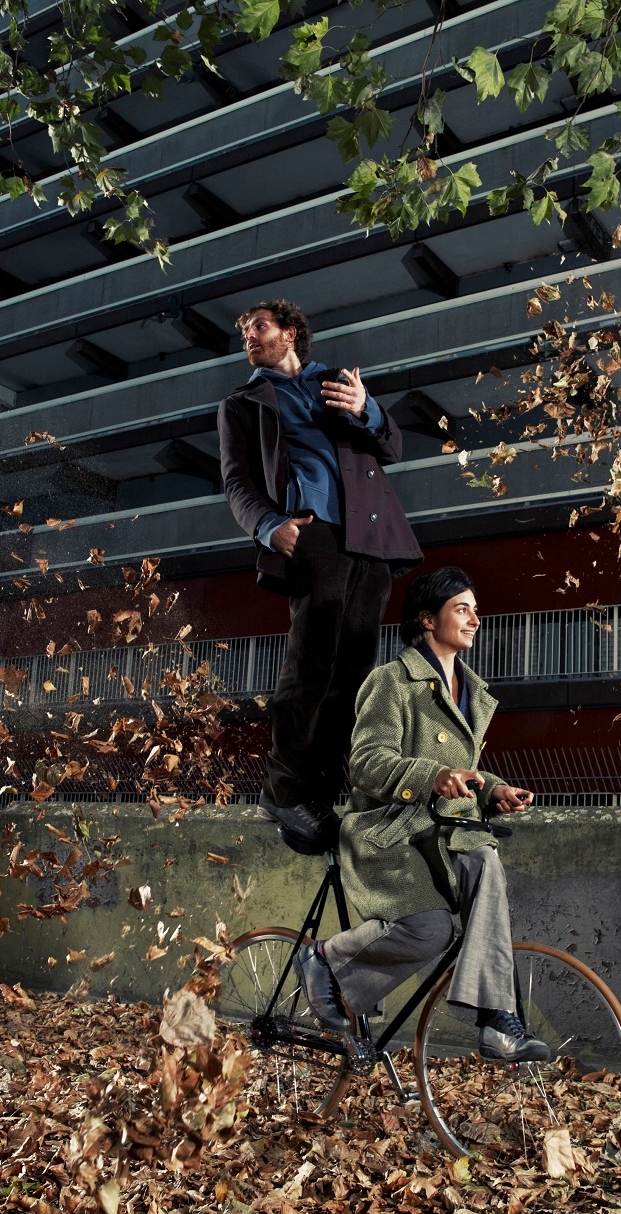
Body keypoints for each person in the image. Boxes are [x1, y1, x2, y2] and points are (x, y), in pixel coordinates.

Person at [292, 566, 550, 1062]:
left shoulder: (471, 690)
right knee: (431, 928)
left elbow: (458, 766)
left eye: (475, 610)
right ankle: (324, 958)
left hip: (444, 832)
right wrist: (432, 775)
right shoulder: (392, 681)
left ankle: (496, 1020)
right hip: (389, 834)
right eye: (462, 609)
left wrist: (494, 789)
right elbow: (367, 762)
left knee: (485, 860)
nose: (475, 619)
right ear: (427, 619)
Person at [218, 298, 421, 848]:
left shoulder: (337, 383)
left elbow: (392, 447)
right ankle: (283, 792)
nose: (249, 336)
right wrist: (269, 526)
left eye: (259, 326)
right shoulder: (242, 403)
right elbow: (237, 481)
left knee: (354, 669)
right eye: (245, 330)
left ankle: (323, 792)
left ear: (290, 333)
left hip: (369, 534)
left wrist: (367, 408)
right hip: (312, 532)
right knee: (312, 660)